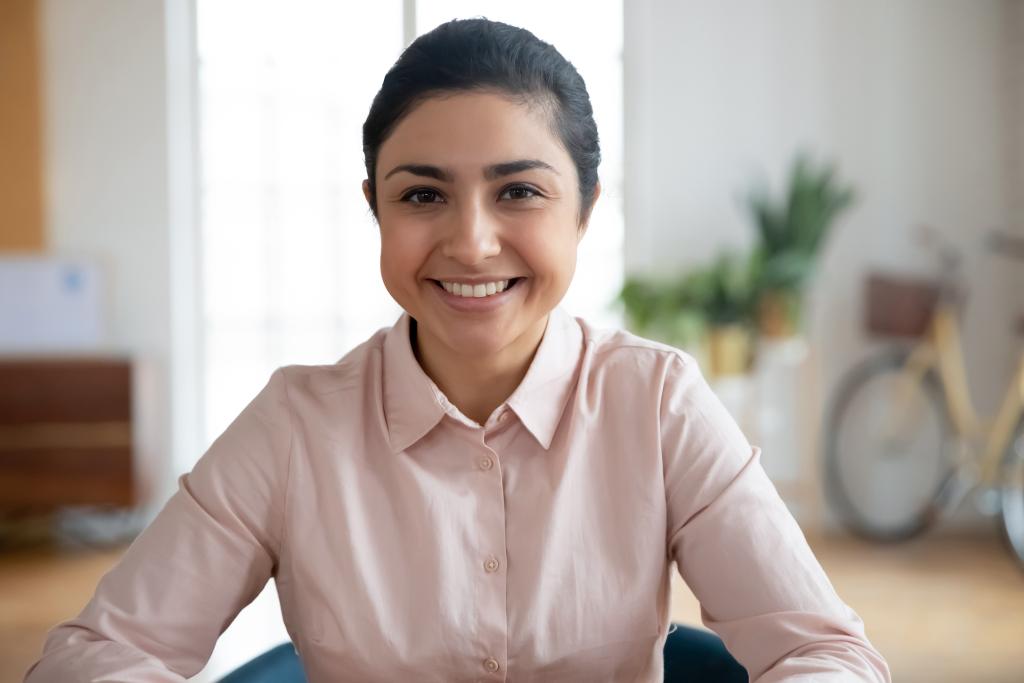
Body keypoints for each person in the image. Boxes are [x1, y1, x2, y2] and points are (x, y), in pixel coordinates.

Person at [25, 18, 891, 683]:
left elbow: (824, 652)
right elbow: (96, 652)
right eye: (423, 194)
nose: (472, 243)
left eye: (519, 190)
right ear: (377, 209)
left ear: (584, 210)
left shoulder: (658, 402)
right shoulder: (294, 425)